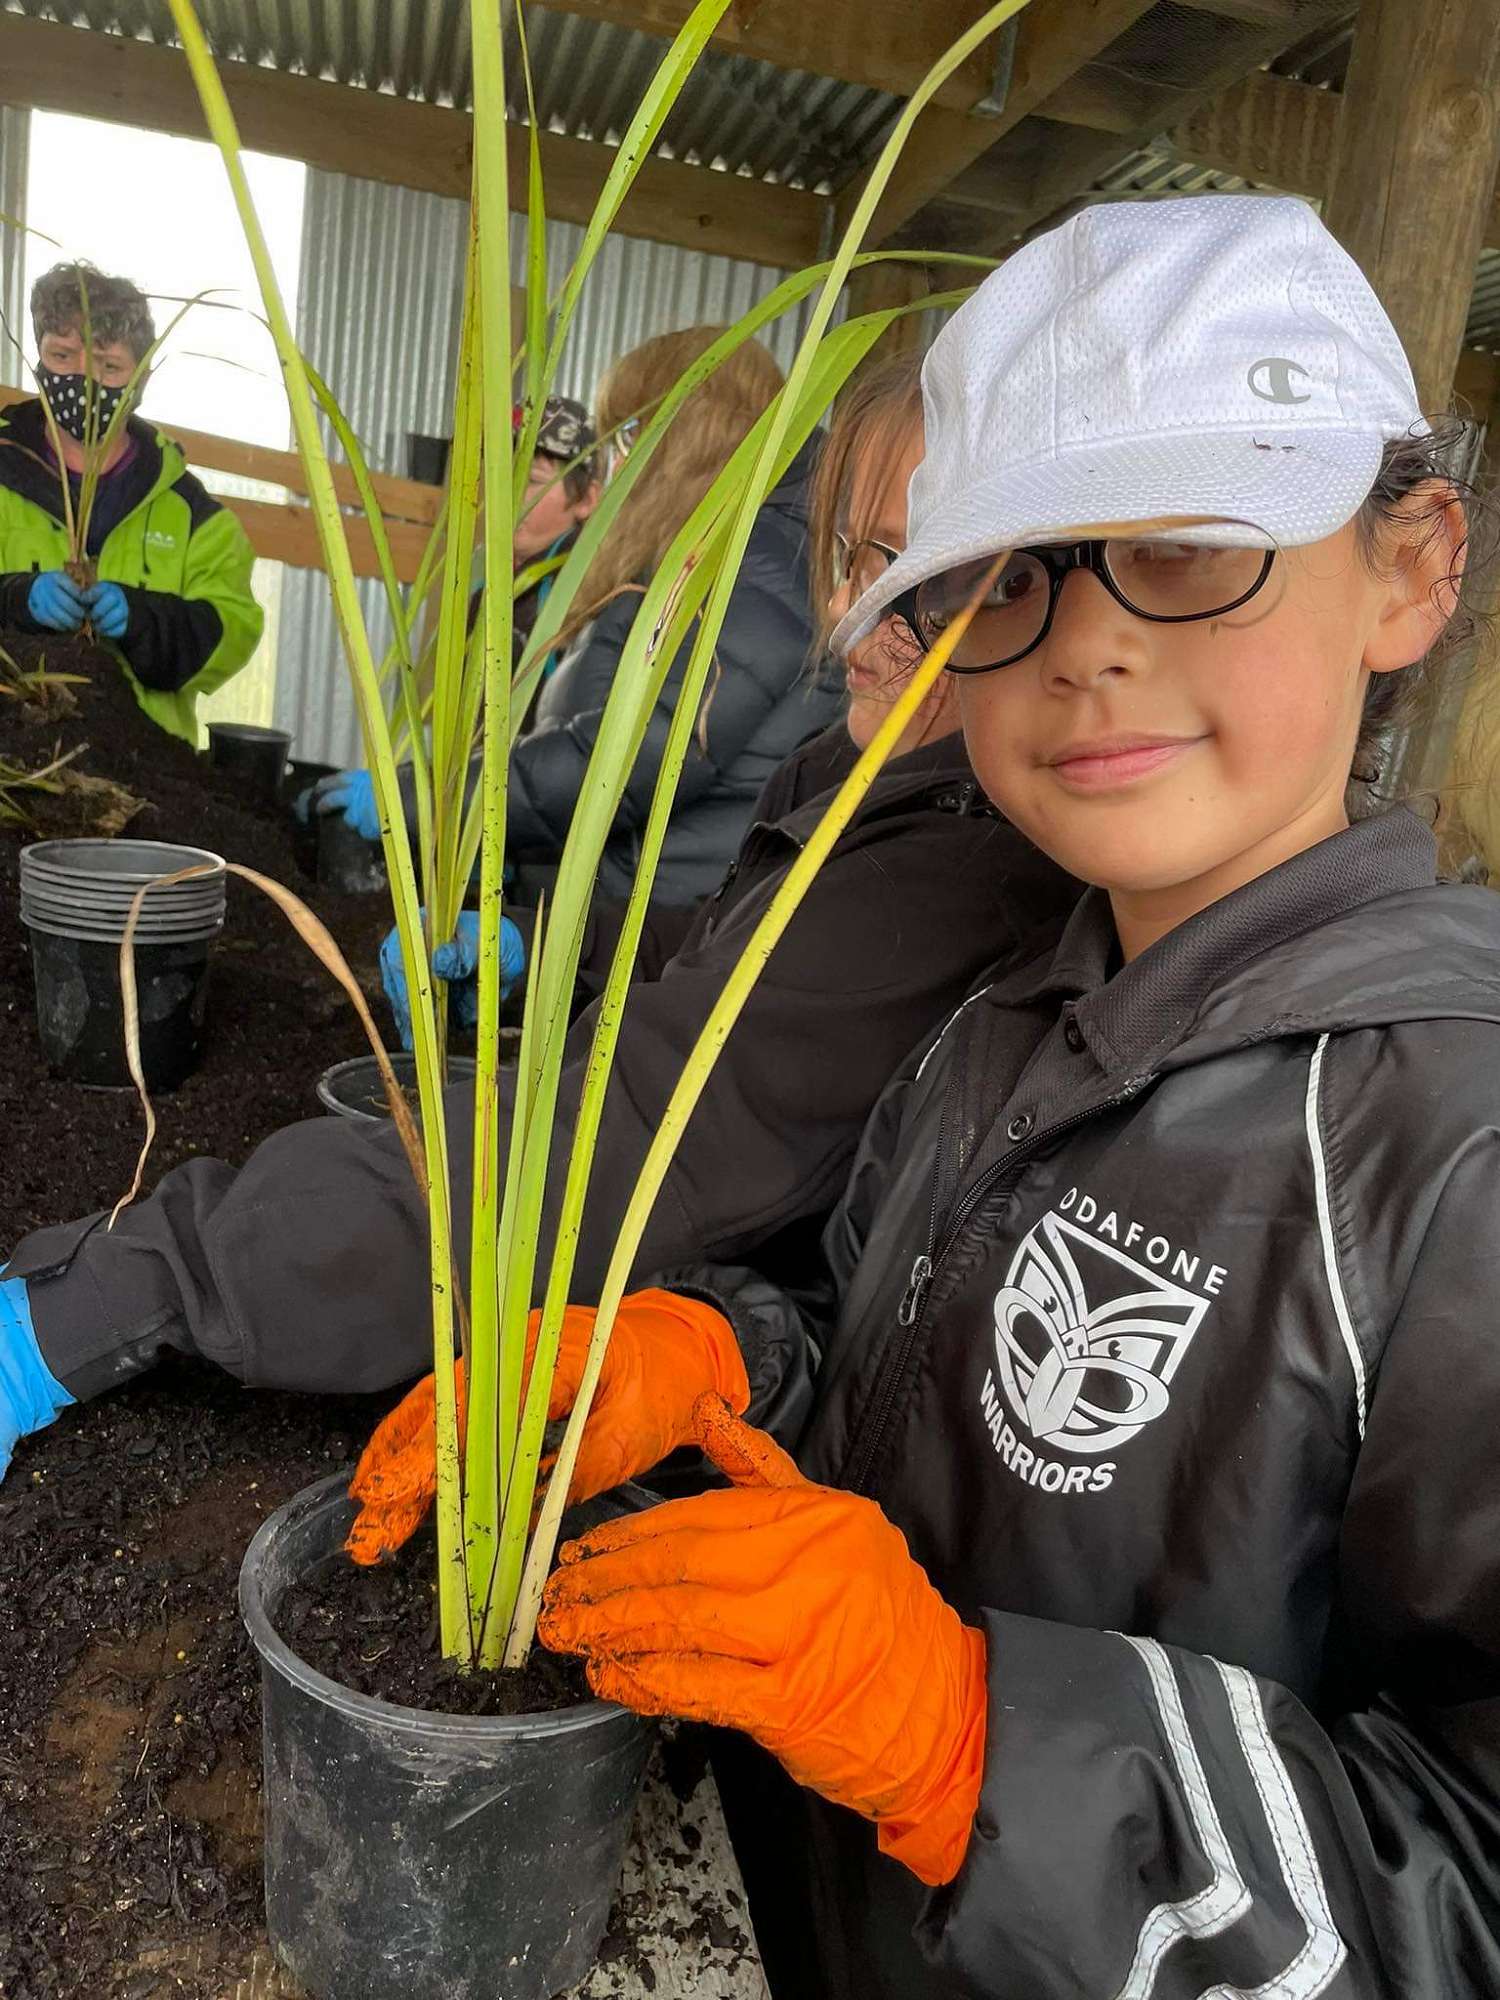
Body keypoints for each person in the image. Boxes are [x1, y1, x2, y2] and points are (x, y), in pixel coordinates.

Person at [360, 197, 1498, 1996]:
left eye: (1191, 543)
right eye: (1006, 572)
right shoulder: (1010, 1008)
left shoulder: (1456, 1156)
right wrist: (723, 1358)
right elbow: (888, 1371)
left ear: (1412, 568)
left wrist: (977, 1737)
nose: (1084, 646)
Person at [0, 351, 1077, 1456]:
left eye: (916, 570)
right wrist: (559, 943)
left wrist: (120, 1290)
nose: (849, 608)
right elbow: (749, 945)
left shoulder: (950, 881)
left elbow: (605, 1146)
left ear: (1041, 592)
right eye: (848, 556)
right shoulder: (883, 785)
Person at [310, 396, 604, 840]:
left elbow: (573, 763)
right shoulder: (488, 591)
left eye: (533, 479)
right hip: (486, 826)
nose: (507, 492)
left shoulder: (590, 598)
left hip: (541, 850)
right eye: (501, 473)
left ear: (586, 501)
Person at [0, 262, 262, 744]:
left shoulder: (194, 516)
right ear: (37, 359)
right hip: (15, 769)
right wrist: (16, 599)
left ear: (141, 379)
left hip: (145, 776)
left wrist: (144, 621)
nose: (83, 381)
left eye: (109, 366)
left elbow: (234, 632)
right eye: (62, 356)